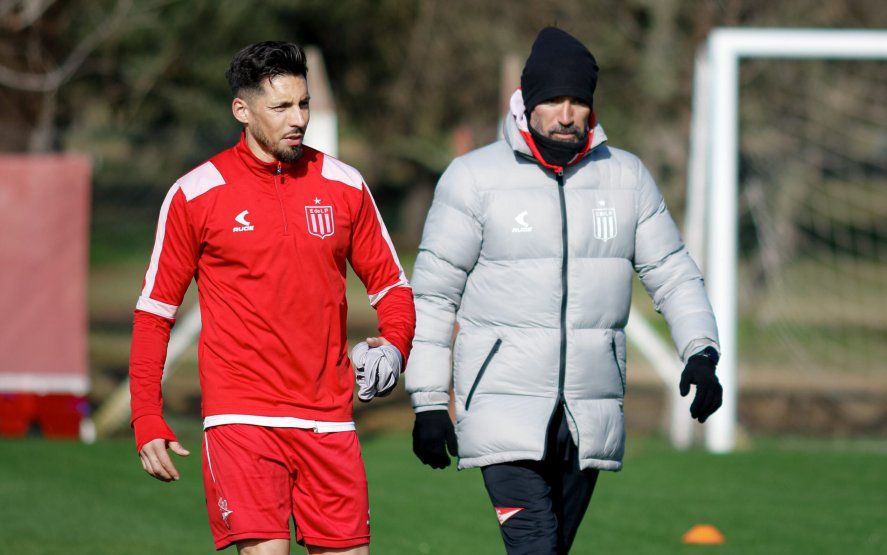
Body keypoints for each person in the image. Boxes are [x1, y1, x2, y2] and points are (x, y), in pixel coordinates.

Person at [406, 27, 722, 554]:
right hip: (502, 410)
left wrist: (702, 350)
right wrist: (429, 402)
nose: (567, 113)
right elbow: (434, 297)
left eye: (578, 100)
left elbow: (673, 273)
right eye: (553, 99)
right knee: (534, 547)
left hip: (588, 416)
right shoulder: (472, 179)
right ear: (527, 103)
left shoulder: (627, 178)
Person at [129, 41, 415, 555]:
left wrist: (396, 346)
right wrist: (146, 415)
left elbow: (392, 287)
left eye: (302, 104)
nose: (298, 118)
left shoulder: (344, 185)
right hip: (242, 417)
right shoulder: (196, 193)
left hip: (330, 415)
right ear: (242, 110)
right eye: (281, 107)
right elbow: (155, 313)